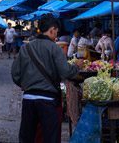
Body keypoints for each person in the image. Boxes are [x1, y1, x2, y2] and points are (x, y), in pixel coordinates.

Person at [12, 15, 79, 143]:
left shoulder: (25, 48)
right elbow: (65, 72)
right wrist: (76, 67)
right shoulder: (55, 48)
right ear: (52, 29)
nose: (57, 35)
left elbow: (15, 73)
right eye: (56, 32)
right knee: (50, 138)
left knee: (27, 138)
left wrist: (26, 84)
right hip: (48, 101)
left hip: (28, 99)